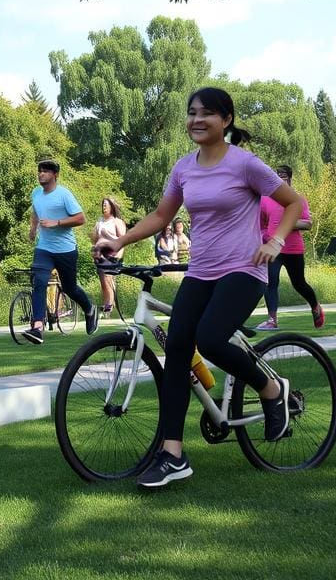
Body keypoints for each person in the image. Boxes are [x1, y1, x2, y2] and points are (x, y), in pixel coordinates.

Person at [93, 87, 304, 488]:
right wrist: (120, 241)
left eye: (206, 113)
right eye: (191, 113)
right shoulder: (183, 168)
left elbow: (293, 202)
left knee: (208, 339)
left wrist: (275, 241)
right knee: (176, 349)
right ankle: (173, 455)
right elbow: (161, 215)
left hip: (244, 271)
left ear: (226, 120)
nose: (196, 120)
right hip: (201, 272)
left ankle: (271, 388)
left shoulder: (246, 164)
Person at [24, 159, 99, 344]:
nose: (41, 174)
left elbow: (81, 218)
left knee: (69, 288)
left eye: (45, 171)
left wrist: (56, 222)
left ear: (55, 175)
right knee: (39, 282)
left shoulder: (64, 194)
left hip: (65, 250)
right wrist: (33, 229)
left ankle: (89, 309)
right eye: (39, 171)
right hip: (43, 248)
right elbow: (35, 211)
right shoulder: (36, 193)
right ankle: (37, 327)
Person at [257, 165, 324, 330]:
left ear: (290, 178)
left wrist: (289, 223)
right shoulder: (265, 200)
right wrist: (266, 238)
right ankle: (272, 320)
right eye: (277, 175)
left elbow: (308, 224)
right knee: (270, 282)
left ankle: (315, 306)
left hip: (293, 248)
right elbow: (261, 225)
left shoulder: (298, 199)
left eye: (284, 176)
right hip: (274, 247)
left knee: (299, 283)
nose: (280, 178)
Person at [91, 197, 126, 314]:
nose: (104, 207)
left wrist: (119, 256)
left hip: (112, 255)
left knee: (108, 279)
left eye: (106, 204)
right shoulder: (99, 222)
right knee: (103, 281)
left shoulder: (116, 221)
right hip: (100, 255)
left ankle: (109, 306)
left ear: (112, 206)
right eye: (103, 205)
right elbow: (95, 239)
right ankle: (108, 303)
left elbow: (122, 240)